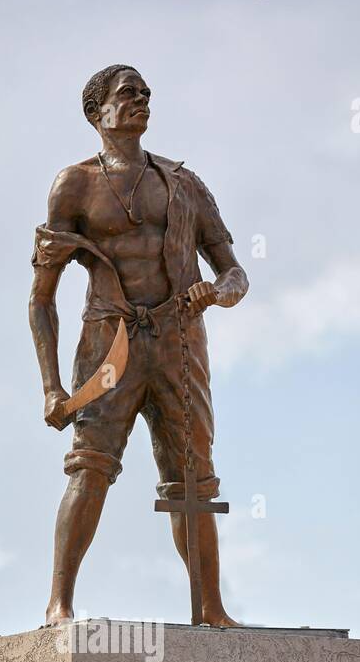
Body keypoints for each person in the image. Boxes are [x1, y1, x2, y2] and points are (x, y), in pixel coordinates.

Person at [30, 64, 249, 627]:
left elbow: (234, 271)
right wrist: (52, 385)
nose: (142, 100)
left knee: (194, 478)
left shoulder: (184, 183)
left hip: (179, 340)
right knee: (91, 467)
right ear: (96, 111)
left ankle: (211, 608)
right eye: (128, 94)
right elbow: (41, 298)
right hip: (110, 342)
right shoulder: (74, 185)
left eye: (146, 94)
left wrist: (219, 294)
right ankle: (59, 603)